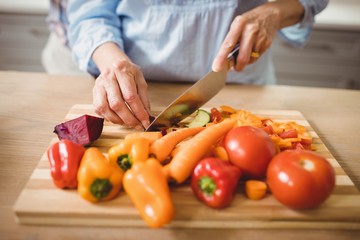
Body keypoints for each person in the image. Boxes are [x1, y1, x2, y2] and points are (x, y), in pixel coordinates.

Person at [42, 0, 328, 130]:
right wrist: (112, 62)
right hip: (133, 89)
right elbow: (89, 12)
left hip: (242, 83)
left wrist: (275, 10)